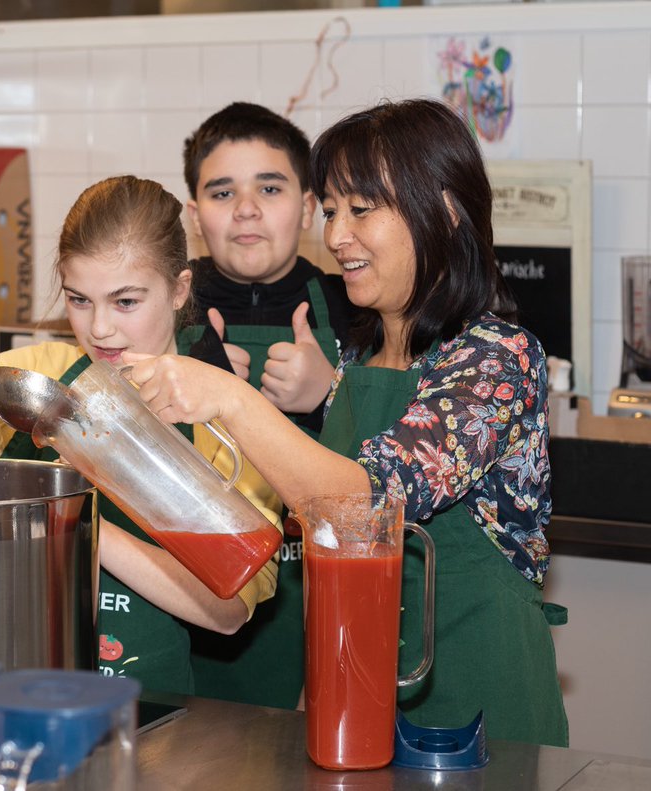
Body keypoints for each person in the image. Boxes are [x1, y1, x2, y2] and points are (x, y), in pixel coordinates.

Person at [129, 98, 568, 746]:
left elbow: (367, 500)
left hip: (483, 712)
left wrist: (228, 396)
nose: (336, 235)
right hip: (358, 702)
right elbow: (329, 547)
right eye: (331, 209)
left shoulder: (498, 358)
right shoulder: (357, 358)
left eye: (362, 209)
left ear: (444, 211)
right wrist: (318, 687)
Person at [0, 172, 283, 696]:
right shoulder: (41, 379)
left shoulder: (221, 418)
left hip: (147, 711)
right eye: (79, 299)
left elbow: (229, 610)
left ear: (179, 290)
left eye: (125, 302)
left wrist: (75, 521)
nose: (99, 328)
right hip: (17, 695)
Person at [179, 102, 357, 709]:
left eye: (271, 187)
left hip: (319, 600)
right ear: (193, 213)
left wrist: (331, 391)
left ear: (308, 206)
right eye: (222, 191)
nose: (247, 209)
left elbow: (395, 468)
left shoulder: (353, 306)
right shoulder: (162, 306)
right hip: (186, 597)